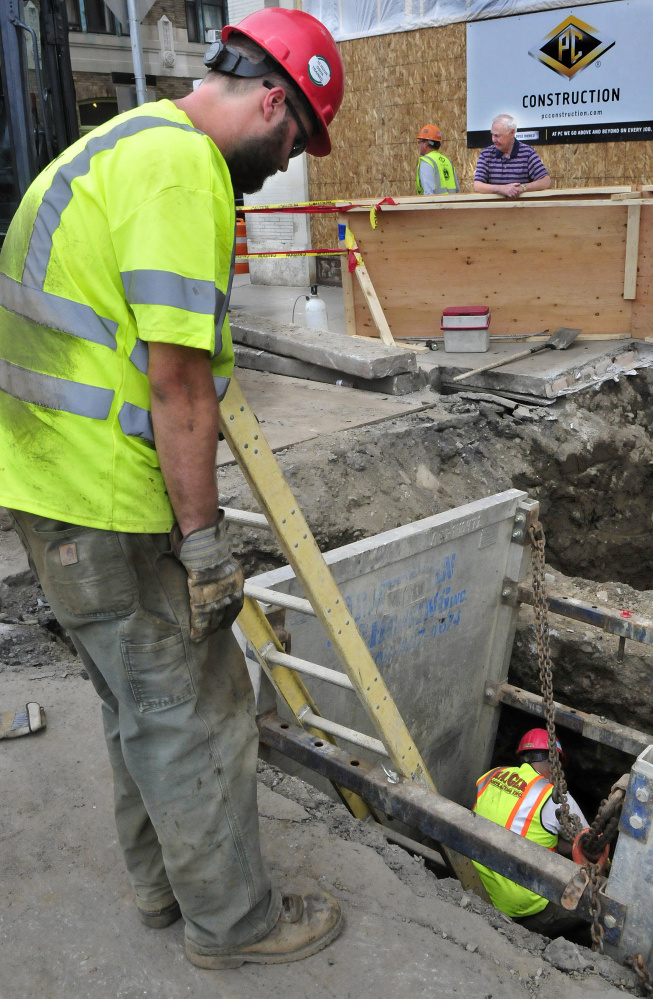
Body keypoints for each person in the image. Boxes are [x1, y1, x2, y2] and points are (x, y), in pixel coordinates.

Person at [0, 7, 346, 972]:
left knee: (136, 705)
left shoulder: (122, 139)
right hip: (108, 497)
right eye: (297, 140)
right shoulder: (183, 171)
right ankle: (233, 926)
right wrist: (204, 543)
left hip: (49, 482)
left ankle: (163, 890)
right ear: (272, 100)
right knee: (199, 712)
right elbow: (179, 380)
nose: (287, 164)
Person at [472, 728, 588, 936]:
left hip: (473, 877)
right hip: (516, 905)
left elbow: (515, 824)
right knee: (593, 897)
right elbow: (587, 845)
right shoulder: (555, 797)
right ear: (555, 762)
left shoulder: (493, 774)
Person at [473, 114, 551, 199]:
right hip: (494, 210)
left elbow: (546, 182)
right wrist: (500, 189)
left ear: (512, 133)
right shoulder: (486, 155)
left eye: (497, 136)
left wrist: (523, 188)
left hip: (522, 209)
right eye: (492, 135)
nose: (493, 139)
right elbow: (477, 186)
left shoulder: (527, 153)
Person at [415, 123, 459, 195]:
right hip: (451, 204)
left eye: (419, 142)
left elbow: (428, 193)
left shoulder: (427, 162)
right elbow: (457, 189)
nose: (419, 145)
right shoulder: (447, 161)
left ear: (426, 143)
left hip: (436, 205)